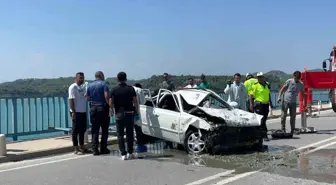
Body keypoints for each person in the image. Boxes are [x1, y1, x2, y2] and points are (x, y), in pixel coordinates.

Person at [109, 72, 139, 160]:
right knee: (130, 134)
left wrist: (111, 110)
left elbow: (111, 102)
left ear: (117, 79)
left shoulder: (114, 89)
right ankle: (130, 152)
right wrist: (137, 111)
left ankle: (123, 154)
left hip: (119, 113)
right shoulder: (131, 89)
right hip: (129, 113)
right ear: (126, 79)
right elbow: (135, 101)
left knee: (120, 134)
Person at [86, 71, 110, 156]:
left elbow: (88, 98)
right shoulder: (104, 84)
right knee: (104, 129)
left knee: (95, 130)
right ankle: (103, 148)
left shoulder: (89, 85)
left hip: (93, 109)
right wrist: (110, 106)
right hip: (103, 108)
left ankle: (95, 149)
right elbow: (106, 96)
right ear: (101, 76)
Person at [68, 72, 88, 155]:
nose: (82, 79)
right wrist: (73, 112)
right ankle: (76, 149)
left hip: (83, 111)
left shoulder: (83, 87)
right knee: (75, 130)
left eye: (82, 77)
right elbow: (71, 100)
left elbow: (86, 97)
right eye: (80, 78)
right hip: (76, 112)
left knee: (82, 130)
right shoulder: (73, 87)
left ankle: (82, 147)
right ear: (76, 78)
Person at [249, 72, 273, 141]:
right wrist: (251, 105)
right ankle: (264, 135)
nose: (260, 78)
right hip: (259, 104)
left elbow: (268, 94)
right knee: (261, 119)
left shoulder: (267, 84)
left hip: (266, 104)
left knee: (264, 119)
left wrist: (270, 103)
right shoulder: (255, 85)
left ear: (263, 77)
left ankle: (259, 133)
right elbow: (250, 95)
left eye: (261, 77)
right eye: (258, 77)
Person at [133, 83, 148, 153]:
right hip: (136, 112)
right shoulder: (139, 90)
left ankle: (130, 147)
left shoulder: (129, 88)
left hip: (126, 113)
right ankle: (139, 146)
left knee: (129, 130)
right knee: (138, 129)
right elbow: (143, 102)